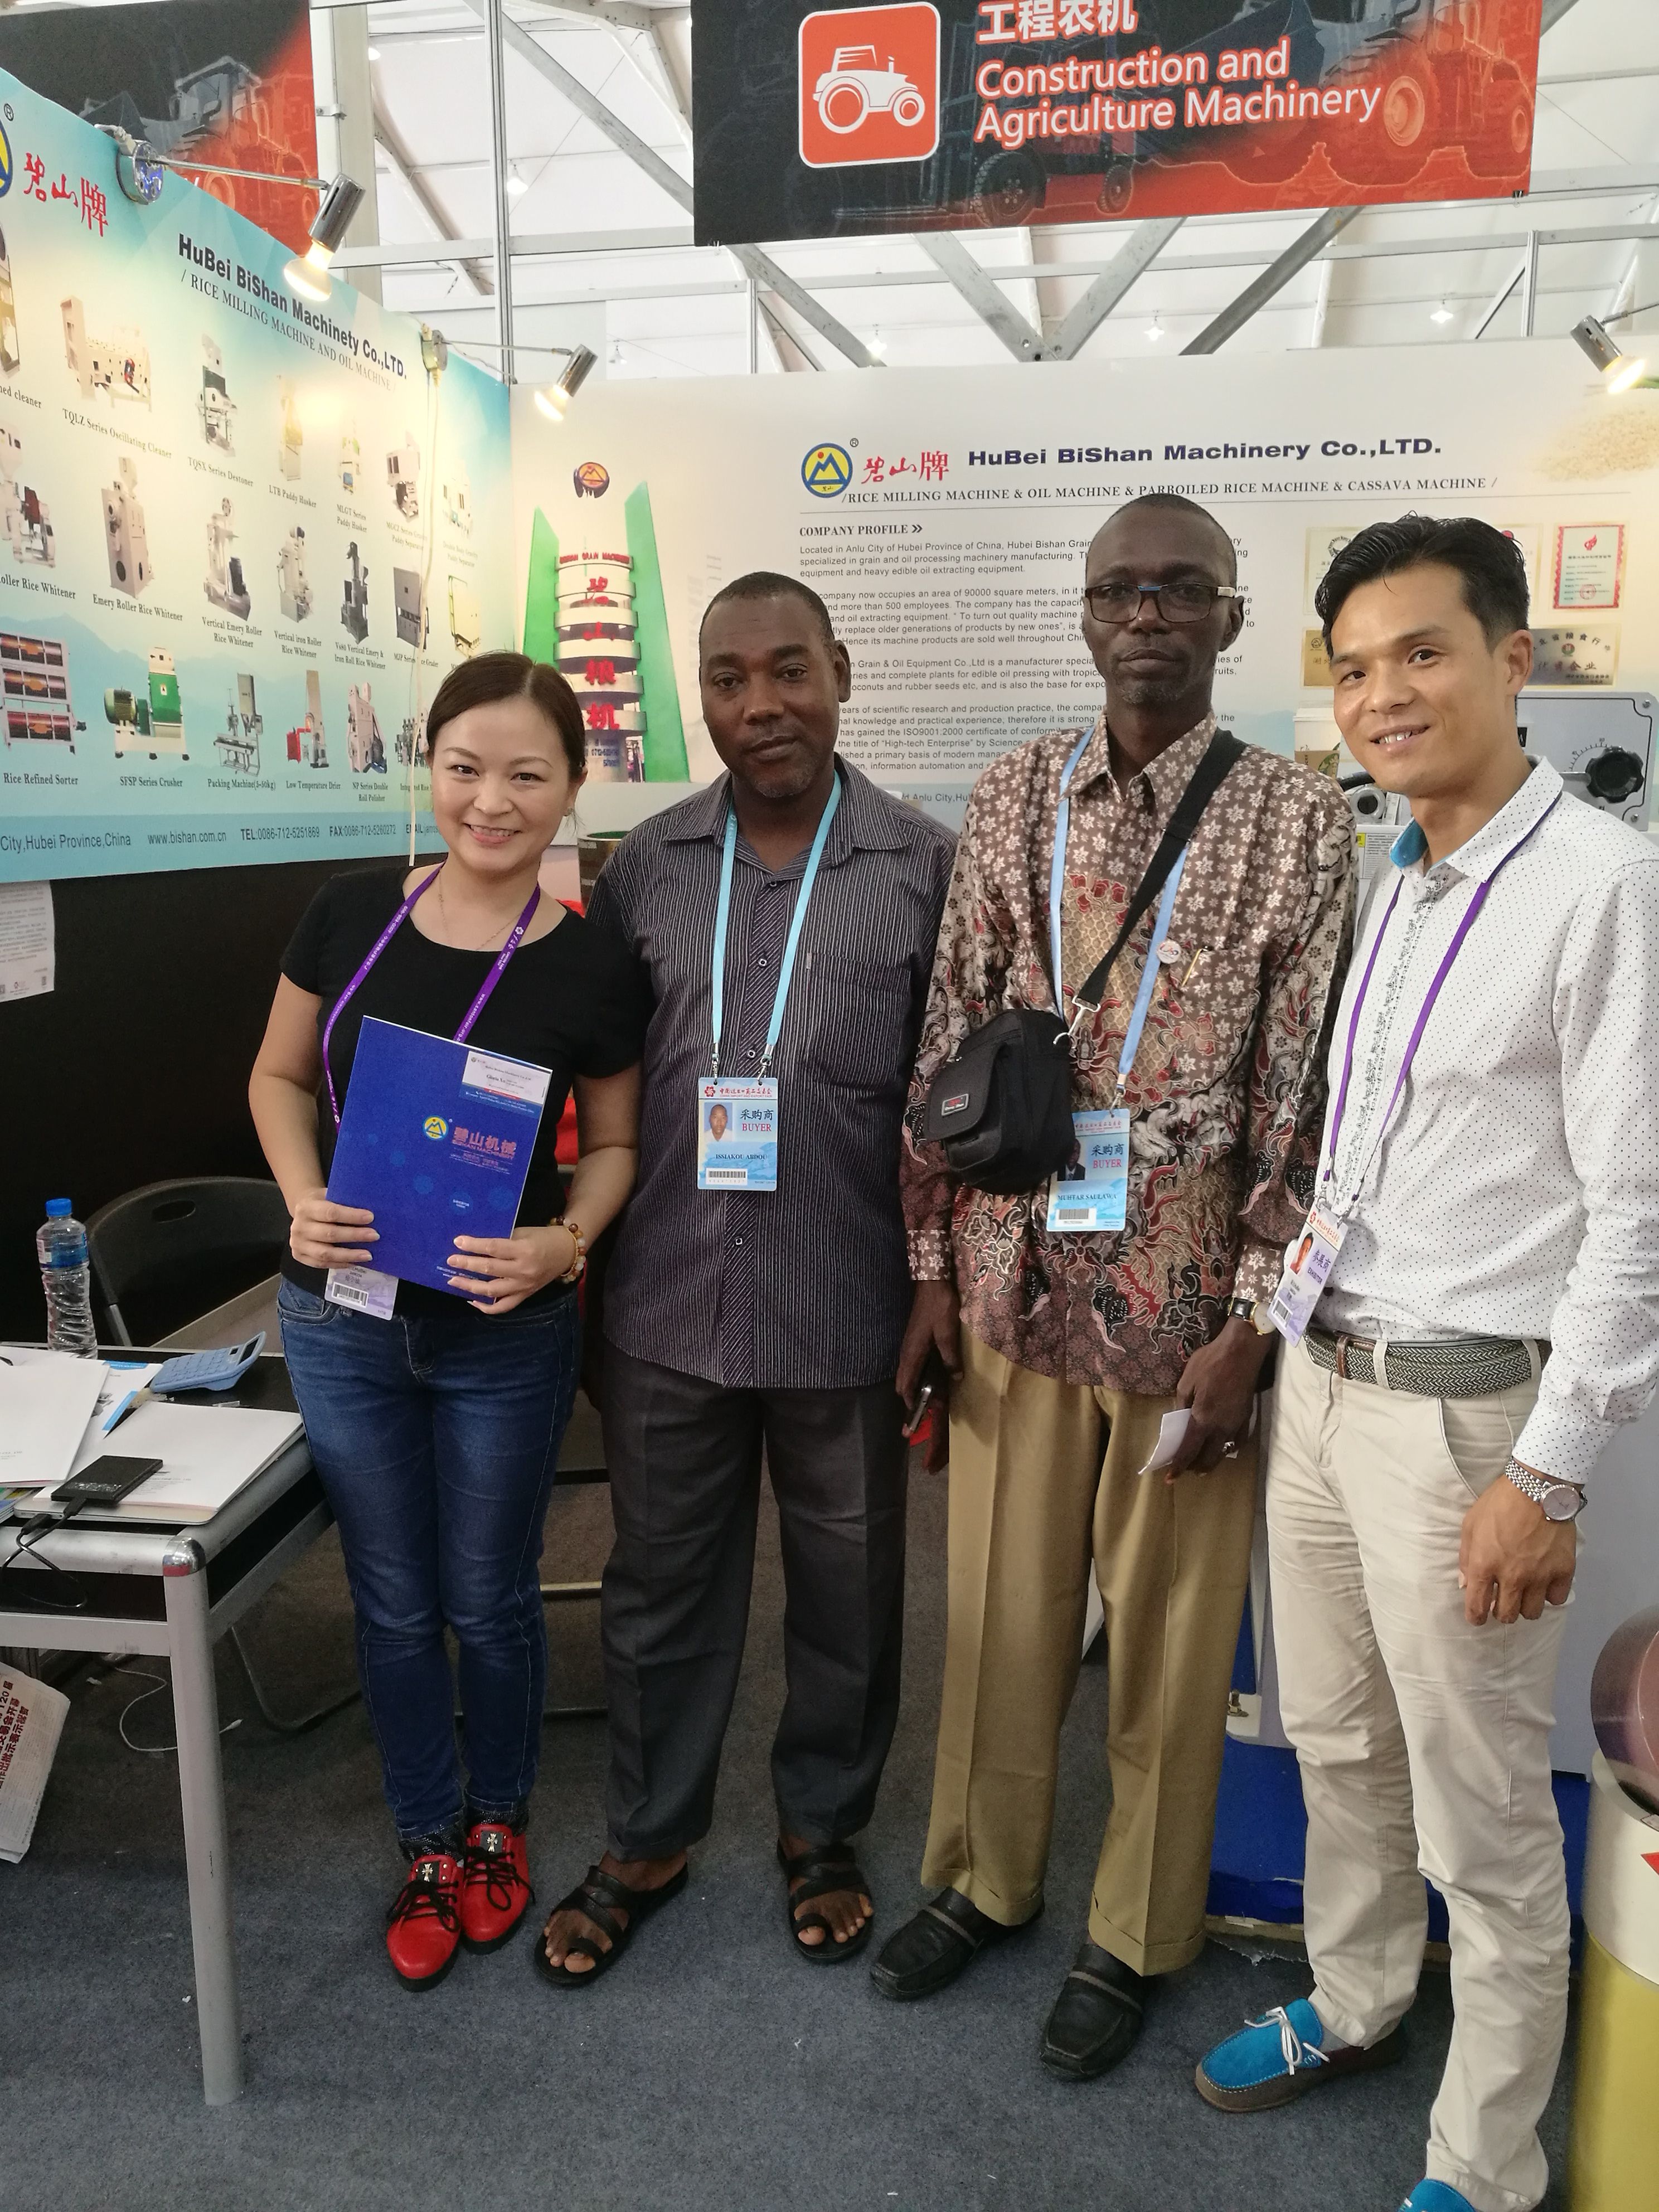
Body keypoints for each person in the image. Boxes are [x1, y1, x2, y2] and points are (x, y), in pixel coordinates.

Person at [1195, 517, 1659, 2212]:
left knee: (1481, 1807)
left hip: (1467, 1417)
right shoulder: (1395, 875)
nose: (1383, 694)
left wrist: (1548, 1475)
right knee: (1333, 1738)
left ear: (1513, 660)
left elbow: (1639, 1212)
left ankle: (1487, 2158)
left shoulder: (1604, 888)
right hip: (1326, 1382)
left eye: (1423, 653)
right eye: (1354, 668)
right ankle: (1359, 1997)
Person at [876, 495, 1356, 2082]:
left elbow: (1302, 1096)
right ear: (1084, 617)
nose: (1147, 614)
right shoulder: (1014, 792)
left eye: (1180, 589)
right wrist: (930, 1271)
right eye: (1118, 591)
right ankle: (983, 1877)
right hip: (1012, 1274)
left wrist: (1255, 1325)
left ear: (1231, 618)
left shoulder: (1299, 821)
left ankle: (1136, 1931)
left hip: (1188, 1298)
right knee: (1000, 1614)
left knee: (1166, 1637)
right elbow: (949, 1041)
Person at [535, 573, 955, 1986]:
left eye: (789, 670)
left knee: (849, 1591)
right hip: (668, 1300)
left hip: (848, 1301)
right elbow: (594, 1077)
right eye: (728, 679)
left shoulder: (924, 865)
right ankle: (648, 1837)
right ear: (700, 697)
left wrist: (937, 1286)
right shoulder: (647, 866)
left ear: (841, 672)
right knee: (659, 1587)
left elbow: (947, 1110)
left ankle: (821, 1829)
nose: (761, 703)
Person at [249, 652, 649, 1990]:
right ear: (429, 767)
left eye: (527, 774)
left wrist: (565, 1241)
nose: (491, 800)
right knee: (392, 1595)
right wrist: (301, 1198)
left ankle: (498, 1820)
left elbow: (617, 1146)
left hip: (501, 1326)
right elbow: (277, 1076)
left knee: (488, 1595)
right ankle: (427, 1834)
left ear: (572, 788)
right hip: (345, 1320)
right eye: (465, 767)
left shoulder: (592, 962)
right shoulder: (347, 913)